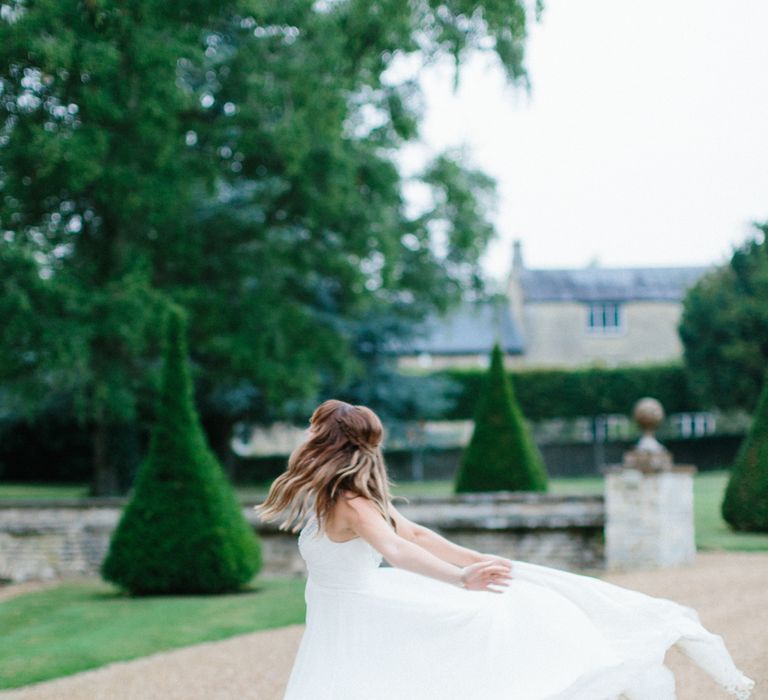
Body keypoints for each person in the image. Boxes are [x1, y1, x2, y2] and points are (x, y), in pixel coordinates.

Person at [255, 399, 754, 700]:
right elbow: (414, 537)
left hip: (361, 613)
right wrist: (467, 563)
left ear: (324, 438)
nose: (305, 433)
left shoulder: (353, 500)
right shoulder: (337, 497)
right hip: (343, 614)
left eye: (312, 426)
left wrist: (464, 574)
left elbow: (403, 547)